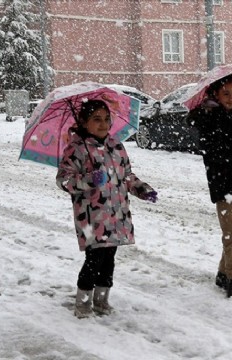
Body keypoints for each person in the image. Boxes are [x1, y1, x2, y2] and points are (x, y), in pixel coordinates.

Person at [56, 99, 157, 318]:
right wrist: (89, 179)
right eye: (96, 119)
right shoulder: (77, 149)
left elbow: (127, 176)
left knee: (109, 259)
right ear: (83, 122)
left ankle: (102, 300)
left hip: (117, 214)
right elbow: (64, 180)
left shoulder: (116, 146)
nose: (103, 124)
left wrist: (142, 189)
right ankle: (83, 303)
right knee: (94, 260)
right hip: (91, 217)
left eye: (106, 119)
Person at [188, 73, 232, 300]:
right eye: (226, 94)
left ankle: (222, 272)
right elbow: (213, 152)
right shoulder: (209, 117)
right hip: (222, 181)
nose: (231, 98)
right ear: (215, 93)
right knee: (231, 233)